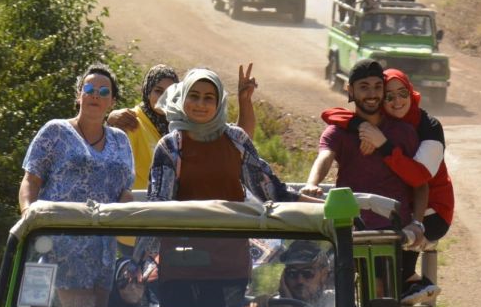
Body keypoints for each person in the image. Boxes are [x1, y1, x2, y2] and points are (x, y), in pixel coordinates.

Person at [321, 68, 454, 302]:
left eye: (402, 93)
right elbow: (334, 114)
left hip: (432, 209)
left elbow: (419, 176)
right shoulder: (384, 121)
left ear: (412, 93)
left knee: (397, 233)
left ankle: (409, 282)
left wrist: (383, 145)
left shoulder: (428, 126)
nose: (396, 101)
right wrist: (360, 128)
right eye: (389, 96)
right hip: (397, 203)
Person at [18, 63, 135, 307]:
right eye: (89, 88)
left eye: (104, 92)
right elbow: (31, 179)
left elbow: (126, 190)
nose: (95, 95)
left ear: (112, 101)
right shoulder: (55, 131)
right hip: (59, 244)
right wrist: (28, 215)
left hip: (103, 248)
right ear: (79, 94)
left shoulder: (120, 140)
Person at [302, 59, 426, 287]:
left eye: (377, 87)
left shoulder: (403, 132)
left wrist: (417, 223)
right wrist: (312, 183)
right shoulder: (338, 132)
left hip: (391, 233)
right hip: (348, 229)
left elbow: (419, 182)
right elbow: (325, 156)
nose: (372, 94)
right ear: (350, 90)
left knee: (382, 300)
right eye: (364, 87)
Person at [147, 68, 308, 204]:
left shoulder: (236, 139)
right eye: (194, 96)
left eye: (208, 98)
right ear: (182, 99)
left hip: (234, 237)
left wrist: (321, 208)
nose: (200, 104)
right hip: (182, 240)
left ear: (218, 104)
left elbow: (268, 190)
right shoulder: (170, 146)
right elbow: (160, 204)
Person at [108, 64, 257, 191]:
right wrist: (109, 119)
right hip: (144, 209)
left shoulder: (188, 122)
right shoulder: (130, 121)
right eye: (158, 91)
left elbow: (239, 140)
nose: (164, 97)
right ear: (147, 92)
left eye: (170, 91)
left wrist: (245, 101)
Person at [248, 241, 335, 307]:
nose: (300, 280)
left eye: (308, 273)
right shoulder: (273, 305)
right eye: (292, 273)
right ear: (284, 277)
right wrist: (259, 304)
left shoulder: (332, 300)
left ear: (323, 275)